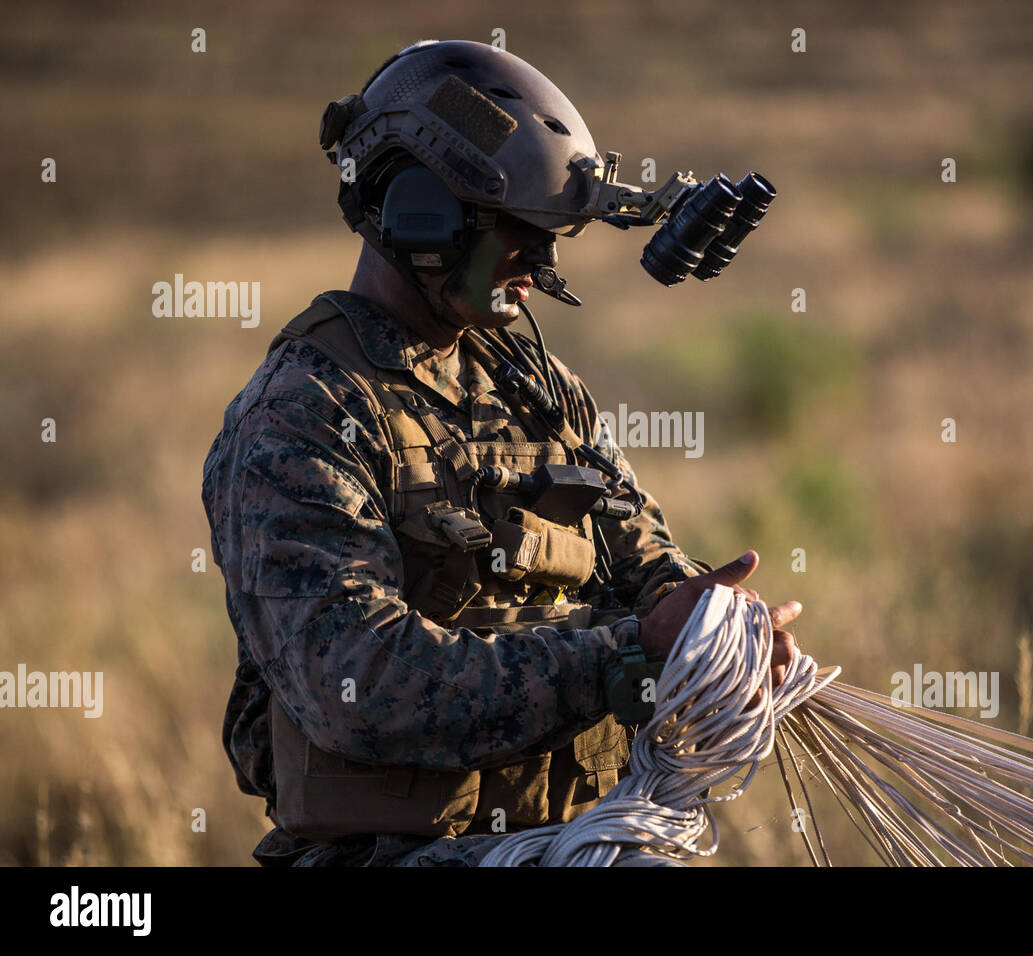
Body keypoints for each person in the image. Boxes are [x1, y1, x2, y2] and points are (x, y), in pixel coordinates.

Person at [200, 39, 802, 867]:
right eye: (521, 232)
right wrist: (619, 660)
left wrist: (711, 629)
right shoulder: (302, 413)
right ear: (421, 214)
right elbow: (358, 684)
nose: (545, 263)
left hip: (574, 834)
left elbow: (642, 556)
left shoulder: (537, 386)